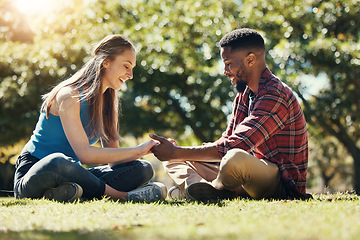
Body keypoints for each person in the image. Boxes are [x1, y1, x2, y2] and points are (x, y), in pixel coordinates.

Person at [150, 28, 311, 201]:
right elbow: (226, 141)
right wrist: (176, 152)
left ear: (250, 60)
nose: (225, 71)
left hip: (279, 181)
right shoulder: (243, 95)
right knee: (174, 160)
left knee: (234, 158)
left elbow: (235, 146)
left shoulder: (275, 94)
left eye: (228, 63)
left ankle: (206, 189)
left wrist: (176, 151)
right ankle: (198, 188)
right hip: (240, 175)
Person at [14, 34, 167, 202]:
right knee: (59, 162)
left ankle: (66, 192)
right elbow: (84, 155)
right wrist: (137, 150)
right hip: (35, 172)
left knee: (143, 169)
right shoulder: (69, 96)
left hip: (74, 173)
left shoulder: (108, 104)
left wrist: (149, 149)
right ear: (106, 62)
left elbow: (115, 161)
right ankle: (124, 197)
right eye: (126, 66)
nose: (130, 74)